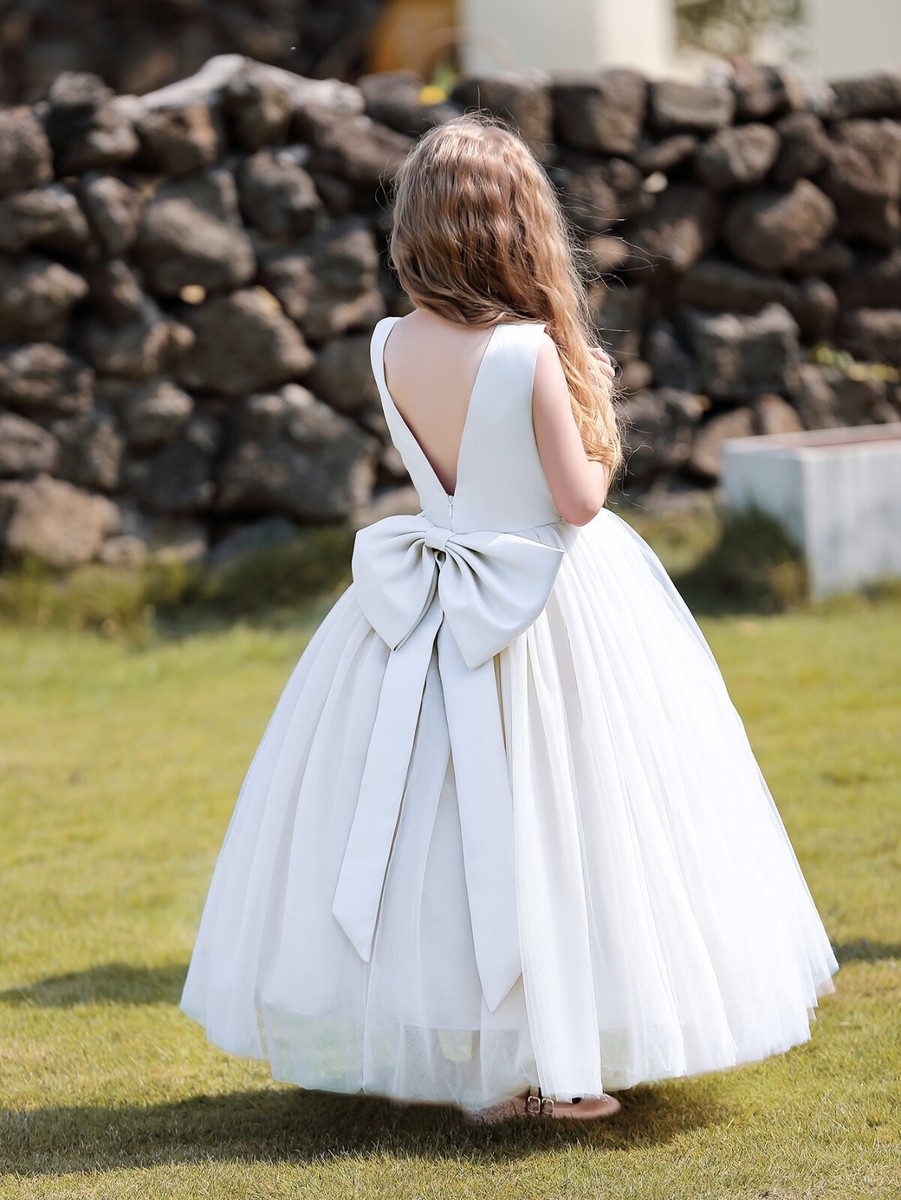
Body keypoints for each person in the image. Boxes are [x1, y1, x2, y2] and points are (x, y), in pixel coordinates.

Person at [180, 112, 838, 1124]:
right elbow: (577, 502)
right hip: (545, 604)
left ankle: (485, 1062)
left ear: (416, 229)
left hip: (421, 606)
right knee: (559, 813)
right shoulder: (528, 353)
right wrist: (597, 413)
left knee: (439, 827)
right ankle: (547, 1060)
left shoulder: (387, 343)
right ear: (519, 229)